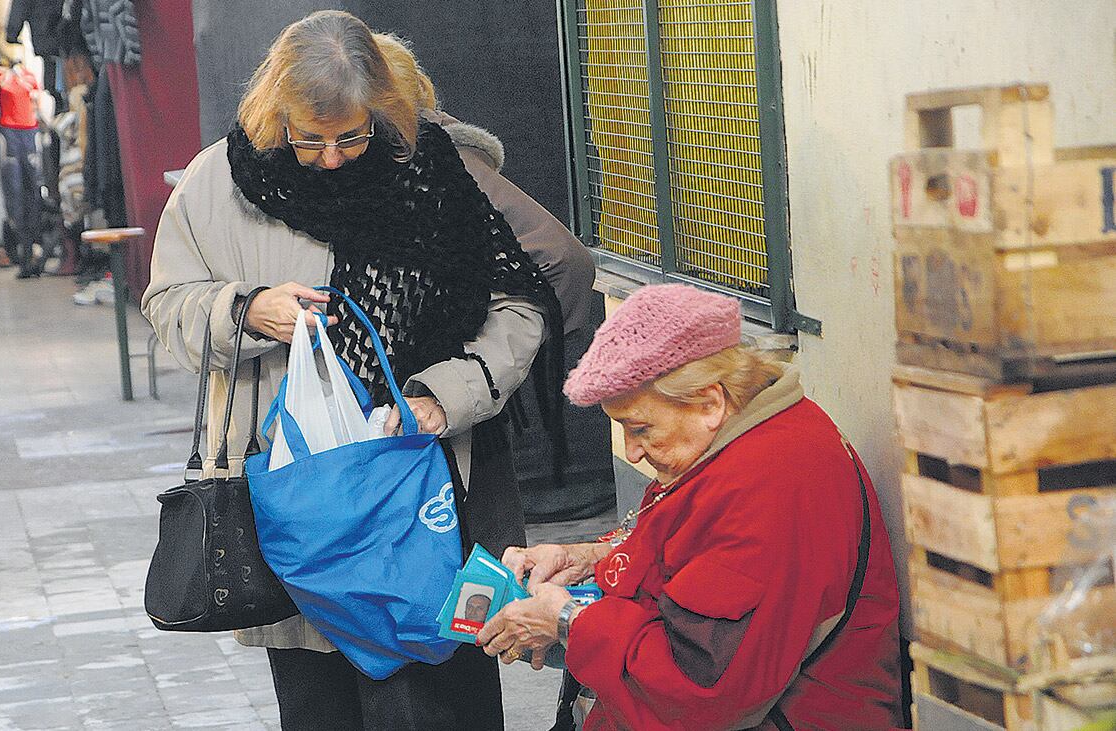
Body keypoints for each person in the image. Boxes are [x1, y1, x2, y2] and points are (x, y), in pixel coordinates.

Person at [143, 11, 578, 729]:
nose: (332, 157)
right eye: (308, 138)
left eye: (352, 135)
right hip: (296, 505)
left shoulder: (429, 169)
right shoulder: (214, 182)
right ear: (272, 109)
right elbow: (167, 304)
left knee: (440, 691)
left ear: (386, 108)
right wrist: (249, 310)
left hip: (427, 495)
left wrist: (446, 394)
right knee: (320, 703)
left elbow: (520, 305)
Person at [477, 284, 903, 730]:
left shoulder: (769, 487)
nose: (632, 452)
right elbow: (689, 547)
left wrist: (566, 621)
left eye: (639, 428)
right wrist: (589, 557)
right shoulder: (740, 438)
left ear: (709, 403)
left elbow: (703, 688)